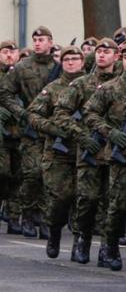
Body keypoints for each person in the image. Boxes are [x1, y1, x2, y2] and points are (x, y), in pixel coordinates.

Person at [84, 41, 126, 273]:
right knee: (118, 207)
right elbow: (90, 113)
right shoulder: (110, 88)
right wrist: (109, 132)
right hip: (120, 157)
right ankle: (110, 247)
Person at [54, 38, 119, 265]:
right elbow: (61, 113)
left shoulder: (123, 84)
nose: (102, 55)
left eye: (107, 51)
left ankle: (106, 249)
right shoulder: (81, 84)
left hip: (116, 153)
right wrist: (80, 135)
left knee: (112, 203)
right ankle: (82, 241)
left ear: (116, 56)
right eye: (99, 51)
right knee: (88, 200)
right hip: (89, 152)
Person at [27, 46, 85, 259]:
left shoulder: (91, 86)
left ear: (83, 61)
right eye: (67, 59)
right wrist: (52, 128)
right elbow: (33, 114)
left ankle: (79, 242)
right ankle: (54, 231)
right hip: (58, 152)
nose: (71, 63)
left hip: (84, 151)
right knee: (60, 198)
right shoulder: (52, 89)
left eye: (75, 59)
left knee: (84, 198)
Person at [0, 26, 57, 239]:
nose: (38, 43)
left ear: (50, 42)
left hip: (53, 129)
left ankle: (42, 217)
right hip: (30, 129)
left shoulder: (58, 68)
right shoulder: (23, 67)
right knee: (31, 174)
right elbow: (5, 93)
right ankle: (27, 213)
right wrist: (22, 113)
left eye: (42, 39)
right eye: (35, 39)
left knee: (47, 176)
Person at [0, 40, 24, 235]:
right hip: (1, 135)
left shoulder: (23, 74)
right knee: (3, 173)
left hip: (21, 133)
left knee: (19, 176)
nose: (9, 55)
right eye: (5, 51)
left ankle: (14, 217)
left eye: (12, 52)